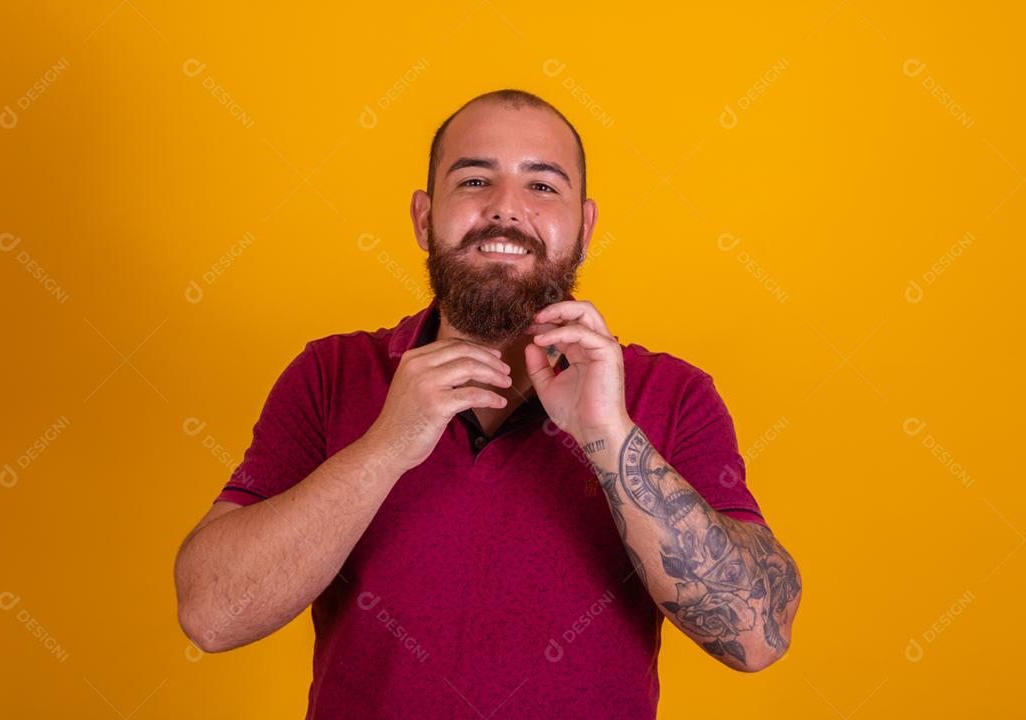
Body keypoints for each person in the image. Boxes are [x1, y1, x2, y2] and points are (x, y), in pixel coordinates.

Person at [174, 89, 802, 719]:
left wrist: (609, 437)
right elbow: (212, 615)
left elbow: (758, 636)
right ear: (424, 218)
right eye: (475, 179)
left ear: (585, 228)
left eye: (542, 187)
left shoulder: (671, 393)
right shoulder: (330, 374)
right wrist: (386, 446)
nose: (505, 210)